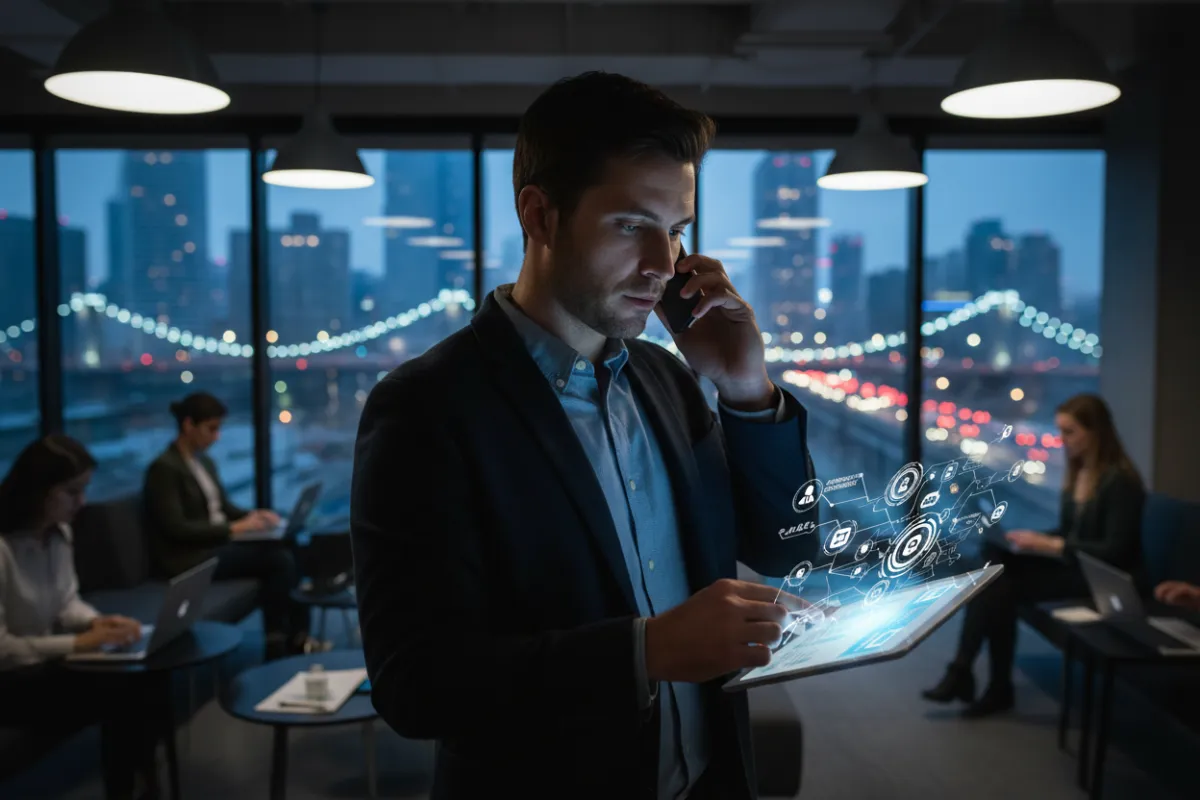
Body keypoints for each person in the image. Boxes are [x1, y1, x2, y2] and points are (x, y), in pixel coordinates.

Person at [351, 71, 818, 800]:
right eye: (631, 225)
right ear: (539, 215)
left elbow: (788, 545)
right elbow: (416, 685)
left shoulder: (670, 381)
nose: (663, 266)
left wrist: (746, 387)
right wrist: (645, 651)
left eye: (676, 231)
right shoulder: (426, 407)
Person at [923, 393, 1145, 717]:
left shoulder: (1120, 481)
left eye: (1070, 432)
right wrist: (1034, 539)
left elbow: (1114, 551)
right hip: (1076, 565)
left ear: (1096, 431)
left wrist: (1051, 546)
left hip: (1101, 579)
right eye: (1061, 431)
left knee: (998, 585)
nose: (1062, 439)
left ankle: (973, 677)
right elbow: (1071, 532)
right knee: (994, 562)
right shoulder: (1081, 472)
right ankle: (974, 677)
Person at [0, 435, 158, 798]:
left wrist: (95, 622)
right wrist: (79, 642)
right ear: (39, 491)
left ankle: (138, 787)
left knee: (138, 680)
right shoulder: (3, 549)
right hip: (8, 677)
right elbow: (2, 648)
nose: (82, 502)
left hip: (38, 663)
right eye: (72, 492)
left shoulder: (58, 535)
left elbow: (67, 602)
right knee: (120, 692)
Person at [143, 392, 309, 659]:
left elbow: (224, 509)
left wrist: (255, 517)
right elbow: (176, 528)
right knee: (278, 560)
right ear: (188, 425)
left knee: (289, 543)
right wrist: (233, 529)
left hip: (217, 543)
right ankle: (278, 641)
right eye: (211, 429)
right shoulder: (164, 468)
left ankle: (299, 636)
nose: (217, 437)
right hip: (193, 556)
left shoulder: (203, 462)